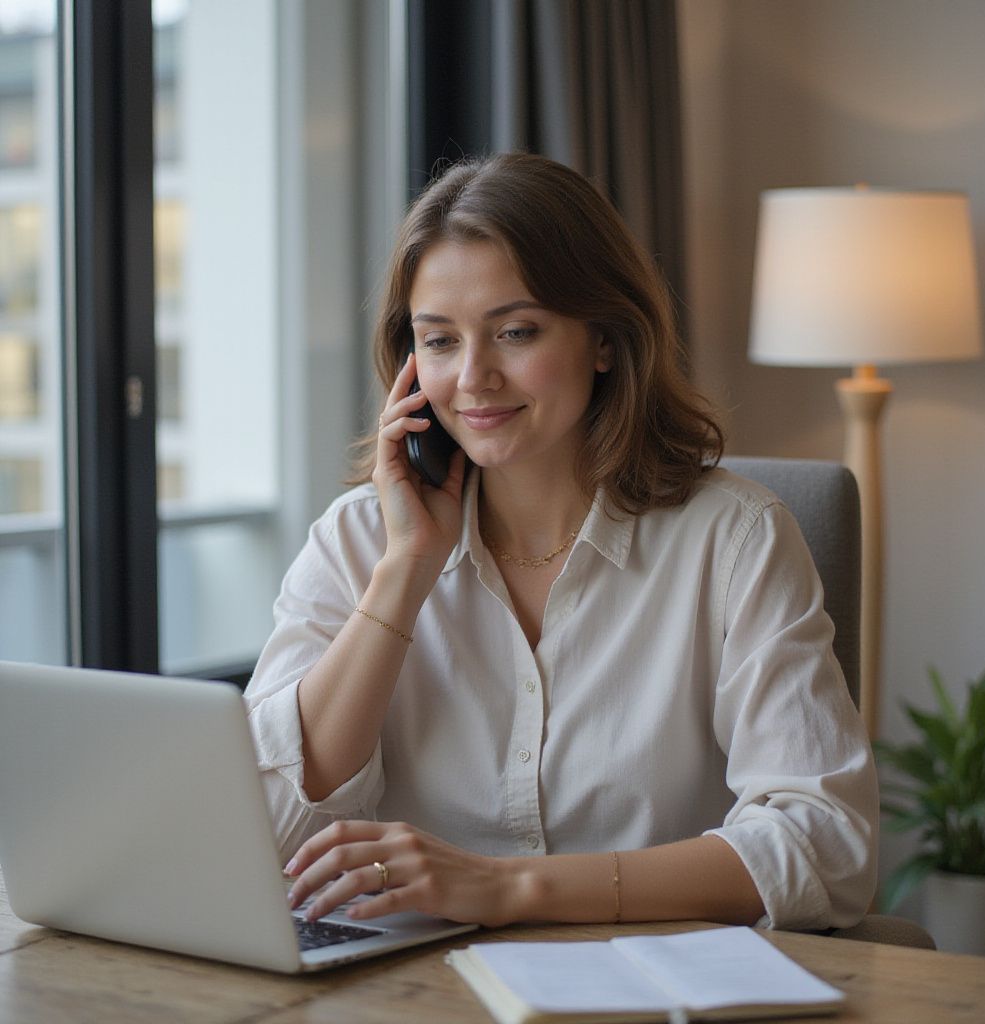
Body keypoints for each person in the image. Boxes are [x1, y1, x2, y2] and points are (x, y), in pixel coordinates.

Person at [244, 152, 878, 932]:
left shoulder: (734, 539)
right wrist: (405, 573)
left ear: (604, 339)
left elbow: (826, 844)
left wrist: (510, 888)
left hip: (654, 985)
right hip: (407, 990)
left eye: (516, 332)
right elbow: (263, 835)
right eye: (439, 341)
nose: (473, 377)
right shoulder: (358, 541)